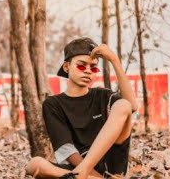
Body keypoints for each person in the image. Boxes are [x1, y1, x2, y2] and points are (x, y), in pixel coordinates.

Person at [25, 38, 136, 178]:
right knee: (35, 164)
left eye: (93, 67)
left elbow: (131, 106)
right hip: (78, 167)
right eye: (82, 66)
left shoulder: (102, 95)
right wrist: (89, 172)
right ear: (66, 67)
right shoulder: (53, 104)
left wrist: (114, 60)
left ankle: (82, 175)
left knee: (124, 104)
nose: (88, 71)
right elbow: (66, 149)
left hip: (111, 164)